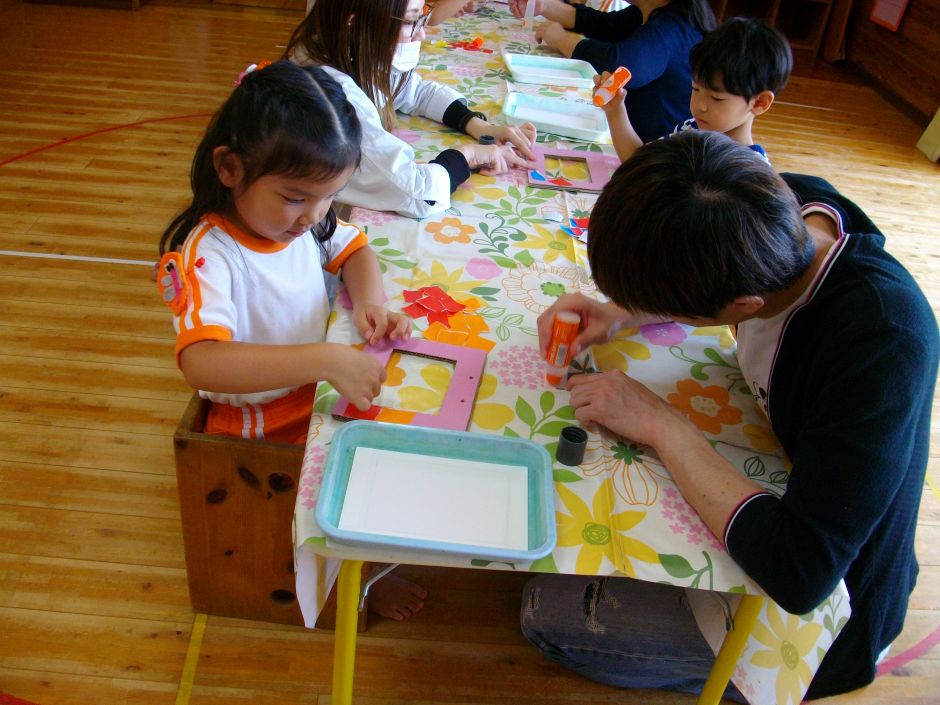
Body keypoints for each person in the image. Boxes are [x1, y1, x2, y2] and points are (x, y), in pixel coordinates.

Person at [521, 132, 938, 700]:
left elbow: (800, 573)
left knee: (547, 610)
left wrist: (662, 424)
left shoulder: (882, 343)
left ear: (744, 307)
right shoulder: (778, 209)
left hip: (829, 613)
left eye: (669, 308)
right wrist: (616, 313)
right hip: (788, 480)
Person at [157, 60, 426, 620]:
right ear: (230, 168)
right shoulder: (210, 253)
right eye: (296, 197)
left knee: (398, 445)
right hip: (258, 421)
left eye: (329, 197)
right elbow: (202, 362)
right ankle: (354, 579)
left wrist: (371, 303)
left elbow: (355, 249)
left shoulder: (302, 221)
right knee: (346, 486)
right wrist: (324, 358)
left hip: (312, 394)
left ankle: (360, 563)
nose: (314, 216)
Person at [284, 0, 538, 219]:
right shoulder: (334, 99)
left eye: (422, 16)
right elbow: (417, 193)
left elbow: (412, 91)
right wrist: (468, 155)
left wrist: (477, 125)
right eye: (410, 22)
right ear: (355, 23)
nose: (421, 35)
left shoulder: (345, 49)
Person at [508, 0, 715, 141]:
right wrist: (543, 5)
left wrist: (563, 40)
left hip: (654, 151)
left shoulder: (670, 29)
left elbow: (618, 67)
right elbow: (603, 24)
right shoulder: (652, 11)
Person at [597, 17, 793, 162]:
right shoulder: (690, 130)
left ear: (759, 102)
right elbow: (639, 163)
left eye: (716, 98)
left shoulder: (751, 172)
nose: (699, 105)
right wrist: (615, 111)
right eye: (695, 89)